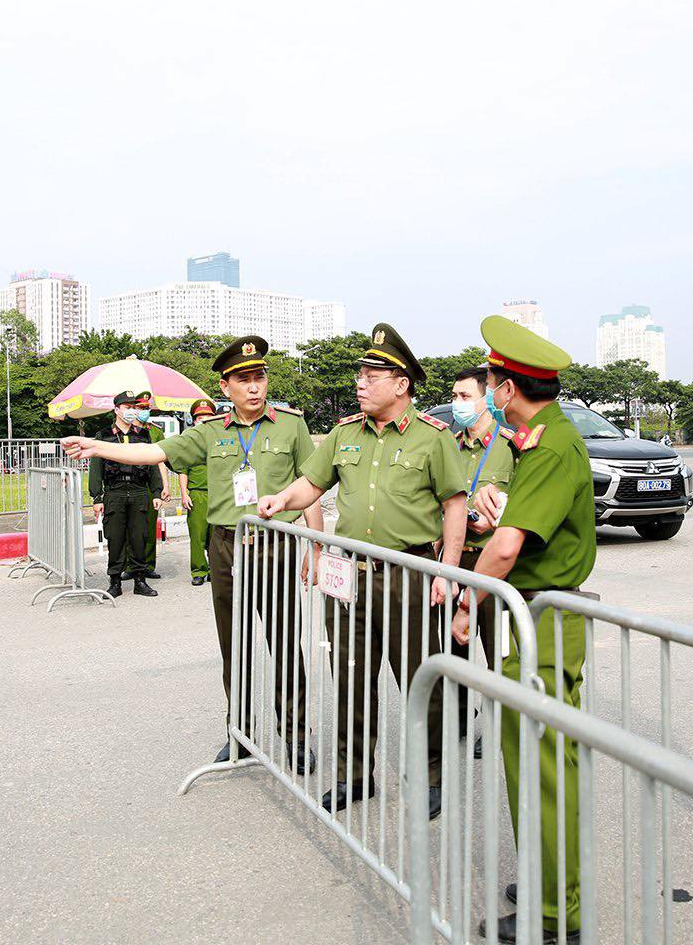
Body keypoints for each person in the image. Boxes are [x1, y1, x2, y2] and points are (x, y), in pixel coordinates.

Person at [63, 336, 324, 771]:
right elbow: (154, 451)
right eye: (243, 380)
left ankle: (296, 734)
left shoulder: (292, 426)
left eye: (259, 377)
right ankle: (239, 731)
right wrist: (97, 446)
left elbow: (311, 487)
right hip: (226, 547)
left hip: (277, 546)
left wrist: (315, 547)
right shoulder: (209, 432)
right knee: (233, 645)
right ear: (226, 388)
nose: (254, 387)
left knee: (284, 642)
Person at [258, 322, 467, 820]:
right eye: (361, 373)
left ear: (402, 384)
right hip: (347, 576)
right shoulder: (343, 434)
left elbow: (455, 507)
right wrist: (280, 500)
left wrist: (448, 571)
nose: (361, 381)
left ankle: (431, 774)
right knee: (351, 679)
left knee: (421, 681)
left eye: (373, 373)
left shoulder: (432, 439)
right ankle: (355, 775)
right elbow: (310, 485)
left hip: (410, 575)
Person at [454, 315, 594, 944]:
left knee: (540, 768)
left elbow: (509, 549)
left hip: (548, 615)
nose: (486, 395)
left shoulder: (554, 443)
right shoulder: (540, 438)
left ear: (507, 389)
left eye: (489, 384)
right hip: (535, 613)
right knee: (535, 763)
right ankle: (547, 884)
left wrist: (465, 598)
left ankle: (554, 915)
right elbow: (515, 530)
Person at [444, 365, 516, 755]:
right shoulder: (448, 446)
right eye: (454, 397)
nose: (458, 404)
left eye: (466, 396)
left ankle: (499, 723)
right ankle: (456, 716)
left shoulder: (510, 445)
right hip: (454, 560)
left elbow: (522, 501)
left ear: (486, 399)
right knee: (451, 646)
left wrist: (496, 515)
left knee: (496, 647)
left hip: (492, 564)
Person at [87, 391, 164, 598]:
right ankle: (114, 582)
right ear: (117, 410)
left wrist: (156, 491)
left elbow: (152, 463)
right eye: (127, 408)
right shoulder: (104, 435)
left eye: (134, 408)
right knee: (116, 538)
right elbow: (96, 467)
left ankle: (140, 581)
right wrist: (97, 497)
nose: (131, 411)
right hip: (115, 491)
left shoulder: (143, 435)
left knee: (139, 537)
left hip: (139, 490)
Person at [133, 393, 170, 584]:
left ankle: (148, 565)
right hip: (131, 483)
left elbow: (161, 460)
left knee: (149, 526)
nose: (144, 412)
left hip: (150, 483)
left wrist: (165, 485)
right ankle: (131, 566)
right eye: (140, 408)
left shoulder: (155, 432)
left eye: (146, 408)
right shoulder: (126, 430)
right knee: (131, 528)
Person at [179, 399, 216, 586]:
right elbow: (183, 470)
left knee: (217, 537)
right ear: (194, 420)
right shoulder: (190, 440)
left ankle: (215, 570)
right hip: (198, 492)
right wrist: (184, 493)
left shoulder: (219, 438)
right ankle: (199, 571)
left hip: (219, 493)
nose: (203, 421)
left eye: (208, 417)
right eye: (200, 418)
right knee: (198, 535)